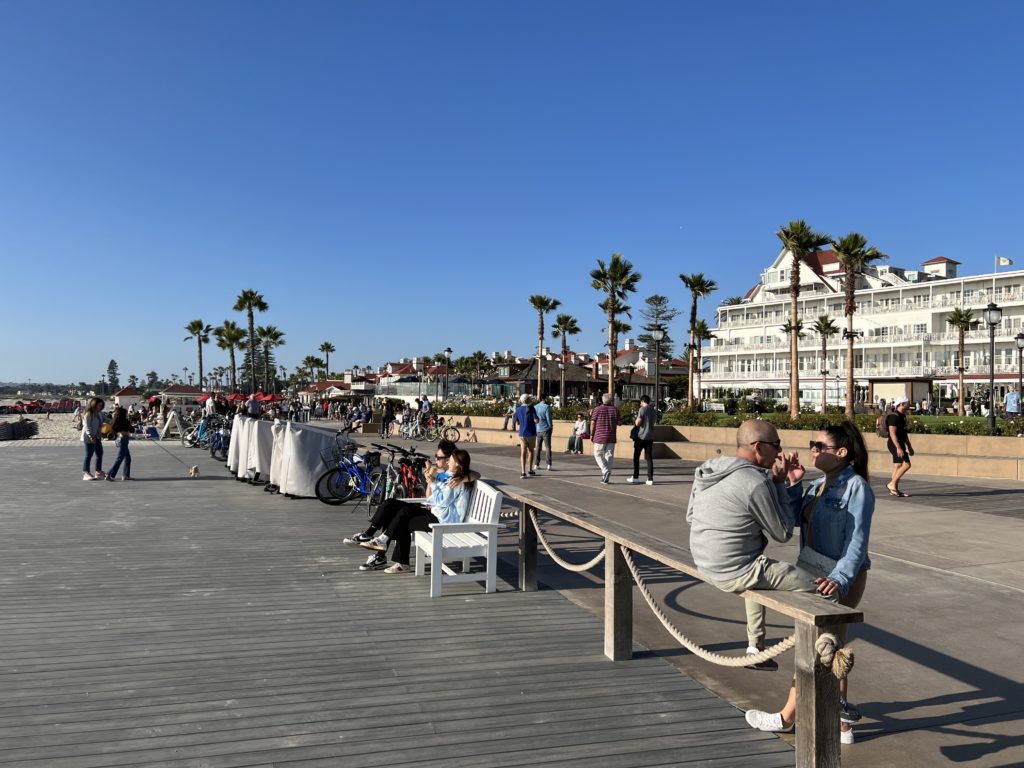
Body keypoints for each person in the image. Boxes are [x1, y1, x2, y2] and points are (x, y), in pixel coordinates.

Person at [744, 422, 874, 744]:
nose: (812, 449)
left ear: (841, 453)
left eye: (819, 445)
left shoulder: (857, 489)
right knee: (831, 645)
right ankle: (841, 722)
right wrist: (792, 485)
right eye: (812, 443)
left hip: (841, 577)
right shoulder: (817, 486)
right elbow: (788, 522)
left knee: (817, 643)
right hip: (813, 572)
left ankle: (788, 717)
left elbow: (857, 544)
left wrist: (839, 580)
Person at [686, 419, 806, 669]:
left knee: (754, 565)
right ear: (759, 447)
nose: (779, 451)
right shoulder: (754, 482)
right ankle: (813, 660)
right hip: (733, 571)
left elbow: (690, 516)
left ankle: (755, 647)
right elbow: (783, 532)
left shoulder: (708, 469)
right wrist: (781, 483)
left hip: (704, 562)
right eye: (776, 445)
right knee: (825, 591)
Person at [349, 443, 479, 573]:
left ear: (456, 463)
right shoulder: (444, 475)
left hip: (444, 520)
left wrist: (434, 483)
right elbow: (431, 498)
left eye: (445, 458)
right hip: (434, 511)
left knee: (403, 517)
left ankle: (388, 550)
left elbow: (444, 501)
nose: (437, 459)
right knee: (390, 504)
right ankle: (370, 535)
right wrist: (430, 481)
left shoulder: (458, 480)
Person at [886, 395, 914, 497]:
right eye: (908, 403)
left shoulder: (902, 416)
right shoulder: (893, 416)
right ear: (902, 404)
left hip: (900, 443)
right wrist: (898, 447)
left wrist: (909, 446)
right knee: (906, 464)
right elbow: (892, 433)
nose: (909, 405)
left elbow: (904, 433)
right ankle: (892, 484)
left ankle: (894, 489)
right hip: (894, 443)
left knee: (897, 465)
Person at [627, 394, 657, 485]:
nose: (640, 404)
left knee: (636, 457)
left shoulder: (642, 409)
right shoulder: (653, 410)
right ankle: (650, 479)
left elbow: (638, 422)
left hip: (641, 436)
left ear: (643, 401)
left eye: (640, 402)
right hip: (650, 436)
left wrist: (636, 420)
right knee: (649, 458)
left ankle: (636, 477)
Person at [590, 393, 619, 484]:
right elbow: (620, 422)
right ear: (611, 400)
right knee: (609, 456)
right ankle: (606, 477)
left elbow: (593, 423)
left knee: (597, 454)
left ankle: (605, 470)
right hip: (611, 436)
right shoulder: (615, 410)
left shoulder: (597, 409)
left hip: (599, 436)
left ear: (603, 400)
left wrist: (591, 434)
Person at [105, 404, 135, 481]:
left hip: (118, 439)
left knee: (127, 458)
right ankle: (109, 474)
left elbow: (114, 430)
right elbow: (132, 430)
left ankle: (126, 475)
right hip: (124, 440)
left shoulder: (115, 421)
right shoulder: (125, 421)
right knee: (119, 459)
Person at [80, 397, 106, 481]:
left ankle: (98, 472)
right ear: (94, 404)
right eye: (99, 405)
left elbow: (106, 420)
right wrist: (91, 436)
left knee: (100, 453)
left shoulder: (99, 413)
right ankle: (86, 472)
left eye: (101, 406)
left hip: (97, 436)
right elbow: (87, 426)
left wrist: (115, 421)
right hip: (89, 437)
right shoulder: (88, 413)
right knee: (89, 455)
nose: (100, 407)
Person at [514, 394, 538, 479]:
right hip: (531, 433)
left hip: (522, 434)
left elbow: (517, 422)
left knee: (523, 452)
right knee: (531, 451)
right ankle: (530, 470)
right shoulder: (531, 408)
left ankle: (523, 471)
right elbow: (536, 420)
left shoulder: (518, 409)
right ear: (527, 400)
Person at [533, 395, 554, 471]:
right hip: (546, 429)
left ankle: (536, 464)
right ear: (544, 399)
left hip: (538, 429)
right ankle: (548, 464)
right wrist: (551, 426)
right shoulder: (547, 407)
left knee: (538, 448)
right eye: (547, 398)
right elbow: (549, 418)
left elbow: (534, 418)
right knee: (548, 447)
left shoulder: (535, 407)